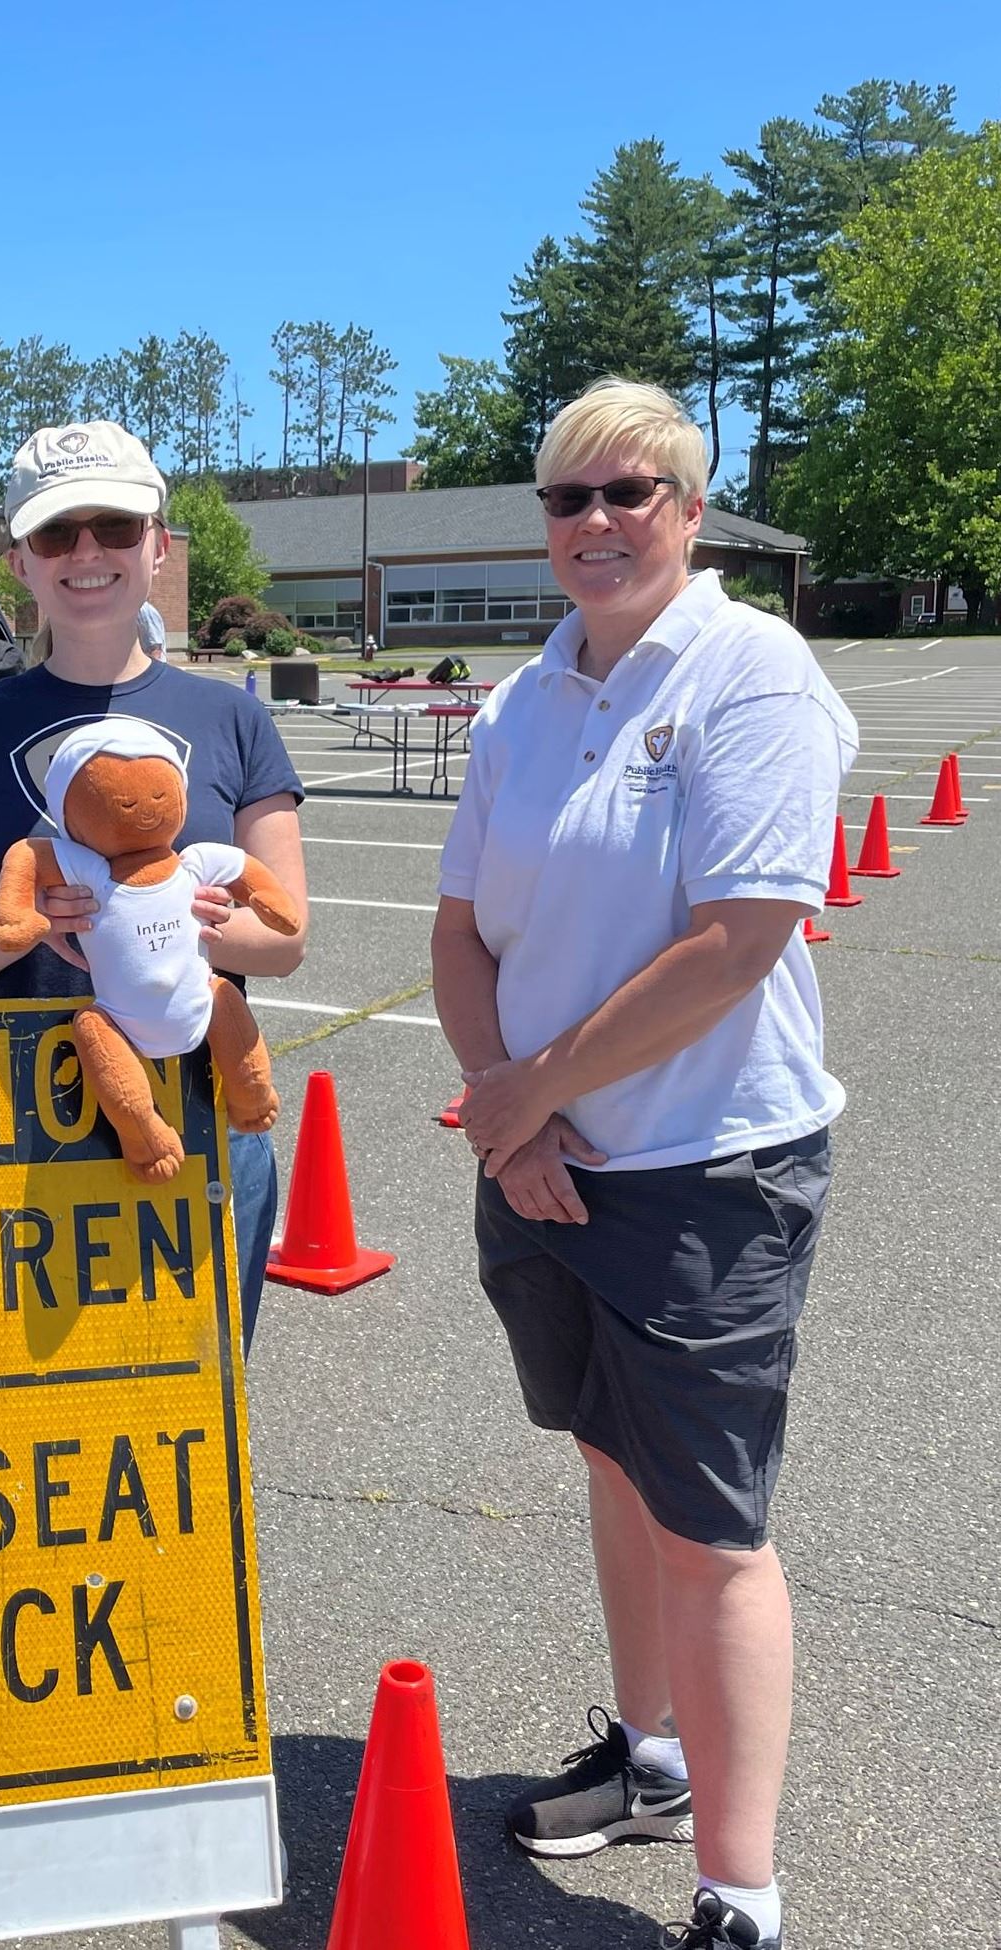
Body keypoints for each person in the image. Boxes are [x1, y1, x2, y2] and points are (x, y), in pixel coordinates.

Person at [431, 379, 856, 1950]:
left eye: (630, 492)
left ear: (689, 507)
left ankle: (737, 1894)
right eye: (565, 499)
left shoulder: (751, 674)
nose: (595, 522)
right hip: (540, 1161)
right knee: (610, 1467)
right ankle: (652, 1756)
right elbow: (456, 928)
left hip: (702, 1171)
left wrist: (527, 1093)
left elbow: (736, 941)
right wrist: (510, 1104)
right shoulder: (526, 697)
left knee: (710, 1526)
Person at [0, 420, 307, 1342]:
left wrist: (180, 924)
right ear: (19, 561)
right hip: (7, 1112)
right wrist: (19, 923)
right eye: (56, 532)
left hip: (194, 1108)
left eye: (115, 527)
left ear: (157, 545)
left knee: (199, 1401)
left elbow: (286, 941)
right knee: (25, 1401)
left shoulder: (231, 721)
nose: (87, 552)